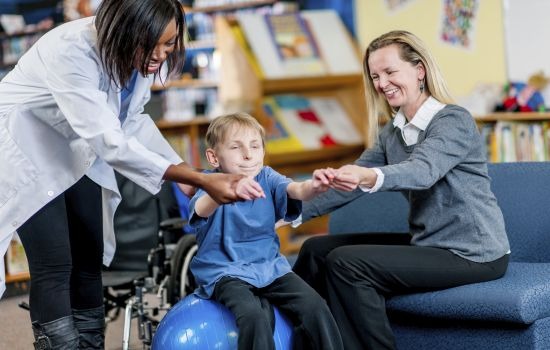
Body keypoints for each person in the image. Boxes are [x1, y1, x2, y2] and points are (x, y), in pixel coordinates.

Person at [0, 1, 262, 349]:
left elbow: (133, 119)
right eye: (151, 44)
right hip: (26, 143)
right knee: (55, 262)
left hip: (76, 145)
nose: (159, 55)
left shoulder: (132, 57)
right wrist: (199, 179)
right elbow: (110, 141)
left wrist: (185, 174)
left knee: (89, 256)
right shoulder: (71, 51)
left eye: (168, 44)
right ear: (124, 32)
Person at [292, 30, 511, 350]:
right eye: (375, 76)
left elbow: (422, 171)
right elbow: (346, 187)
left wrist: (366, 176)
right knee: (315, 250)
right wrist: (285, 211)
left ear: (419, 70)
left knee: (346, 264)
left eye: (391, 72)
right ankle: (298, 340)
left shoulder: (452, 120)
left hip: (474, 253)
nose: (382, 83)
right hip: (430, 245)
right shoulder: (392, 134)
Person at [188, 113, 344, 350]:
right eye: (235, 147)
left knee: (316, 307)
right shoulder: (212, 184)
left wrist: (314, 186)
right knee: (253, 315)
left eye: (254, 146)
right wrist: (222, 194)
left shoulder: (268, 177)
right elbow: (201, 208)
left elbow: (295, 189)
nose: (248, 155)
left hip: (269, 267)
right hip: (226, 272)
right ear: (213, 157)